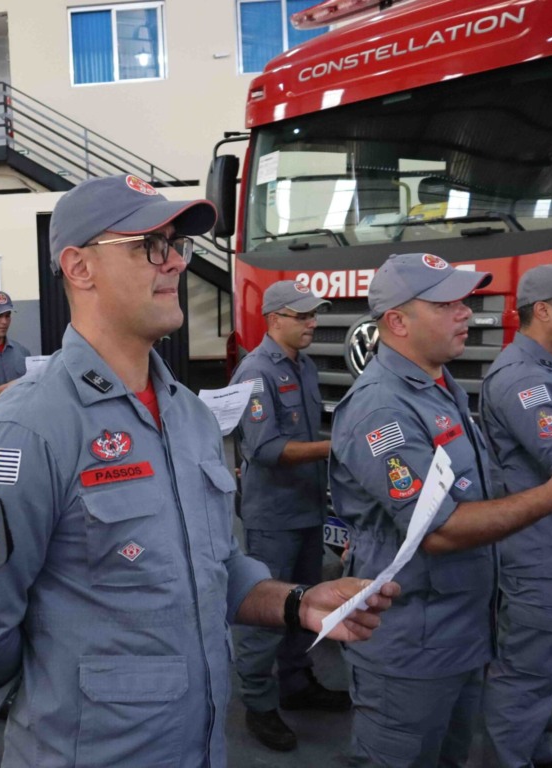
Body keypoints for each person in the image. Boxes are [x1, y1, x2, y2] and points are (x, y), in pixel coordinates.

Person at [0, 173, 398, 767]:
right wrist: (57, 696)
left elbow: (214, 569)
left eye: (179, 245)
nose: (175, 263)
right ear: (79, 267)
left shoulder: (188, 415)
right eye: (151, 245)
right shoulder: (24, 430)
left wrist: (297, 603)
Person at [330, 253, 552, 767]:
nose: (467, 314)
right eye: (448, 305)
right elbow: (440, 530)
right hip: (411, 648)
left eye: (465, 303)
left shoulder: (439, 386)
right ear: (398, 322)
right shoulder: (383, 409)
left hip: (459, 634)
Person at [229, 279, 348, 751]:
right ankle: (259, 702)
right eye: (302, 316)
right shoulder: (255, 373)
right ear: (273, 319)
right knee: (265, 613)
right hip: (273, 516)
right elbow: (265, 448)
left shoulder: (305, 366)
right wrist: (335, 448)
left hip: (305, 508)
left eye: (314, 314)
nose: (312, 323)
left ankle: (296, 683)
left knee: (305, 603)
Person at [480, 265, 552, 768]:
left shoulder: (548, 368)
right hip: (537, 550)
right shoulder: (523, 379)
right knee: (527, 670)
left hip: (550, 542)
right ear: (544, 310)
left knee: (545, 665)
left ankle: (538, 751)